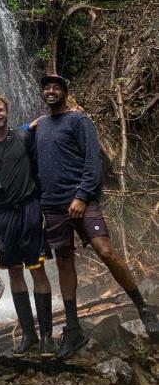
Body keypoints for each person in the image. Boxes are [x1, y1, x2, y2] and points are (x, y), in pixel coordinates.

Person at [34, 74, 159, 358]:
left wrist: (81, 196)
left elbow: (94, 161)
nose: (51, 91)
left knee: (106, 250)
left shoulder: (79, 121)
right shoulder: (39, 126)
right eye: (47, 88)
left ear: (65, 92)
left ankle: (142, 308)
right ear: (43, 93)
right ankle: (73, 328)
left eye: (56, 87)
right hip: (52, 205)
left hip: (82, 201)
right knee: (65, 261)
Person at [0, 92, 55, 358]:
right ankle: (29, 335)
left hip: (29, 208)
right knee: (13, 271)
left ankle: (47, 335)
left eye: (0, 110)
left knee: (37, 269)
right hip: (3, 214)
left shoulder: (23, 137)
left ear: (7, 111)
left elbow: (41, 165)